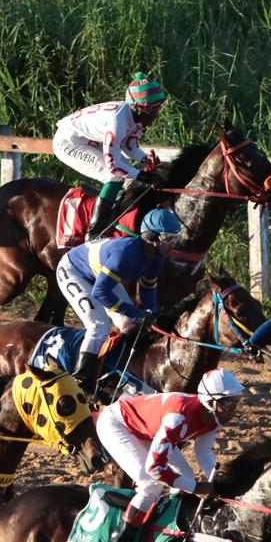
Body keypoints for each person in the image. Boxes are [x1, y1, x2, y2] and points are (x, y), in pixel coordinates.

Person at [97, 368, 246, 542]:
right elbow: (154, 467)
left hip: (146, 428)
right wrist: (195, 488)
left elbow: (203, 452)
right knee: (151, 484)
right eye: (228, 403)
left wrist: (216, 476)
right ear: (210, 402)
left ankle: (168, 531)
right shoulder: (178, 418)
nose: (234, 409)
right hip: (116, 424)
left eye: (236, 402)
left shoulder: (214, 418)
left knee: (186, 476)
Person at [56, 207, 182, 393]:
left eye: (176, 238)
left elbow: (147, 289)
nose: (174, 244)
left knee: (130, 325)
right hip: (74, 270)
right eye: (169, 239)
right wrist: (137, 312)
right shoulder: (126, 254)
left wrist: (152, 314)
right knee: (99, 326)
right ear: (152, 237)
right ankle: (81, 379)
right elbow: (100, 293)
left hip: (100, 274)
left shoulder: (157, 258)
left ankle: (116, 369)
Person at [52, 72, 167, 240]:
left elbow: (129, 145)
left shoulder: (135, 114)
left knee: (128, 173)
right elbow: (113, 164)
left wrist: (144, 159)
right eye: (153, 109)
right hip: (69, 143)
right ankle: (94, 232)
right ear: (140, 107)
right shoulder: (117, 121)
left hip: (88, 139)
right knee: (113, 176)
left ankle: (113, 213)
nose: (156, 114)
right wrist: (145, 176)